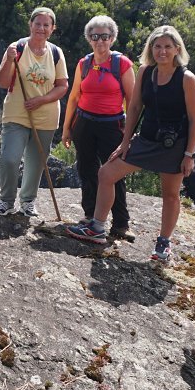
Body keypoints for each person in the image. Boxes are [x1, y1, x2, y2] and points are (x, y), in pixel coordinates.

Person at [66, 25, 195, 263]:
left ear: (177, 49)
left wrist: (189, 153)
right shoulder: (146, 72)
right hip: (146, 139)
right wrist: (125, 142)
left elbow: (194, 119)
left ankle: (163, 244)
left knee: (170, 195)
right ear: (151, 49)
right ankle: (97, 228)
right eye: (157, 46)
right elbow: (135, 106)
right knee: (106, 173)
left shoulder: (186, 78)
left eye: (167, 47)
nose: (162, 51)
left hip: (174, 145)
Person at [60, 15, 137, 239]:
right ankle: (91, 216)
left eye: (105, 36)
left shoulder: (122, 64)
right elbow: (74, 97)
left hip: (112, 126)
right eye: (95, 36)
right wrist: (67, 128)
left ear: (112, 38)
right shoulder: (84, 64)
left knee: (114, 174)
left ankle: (121, 223)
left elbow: (132, 102)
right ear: (89, 39)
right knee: (86, 169)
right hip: (84, 123)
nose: (100, 41)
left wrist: (128, 136)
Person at [0, 8, 69, 217]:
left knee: (36, 163)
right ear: (30, 24)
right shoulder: (16, 48)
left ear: (52, 29)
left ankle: (28, 201)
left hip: (45, 117)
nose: (41, 28)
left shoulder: (56, 53)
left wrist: (41, 100)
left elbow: (62, 86)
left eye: (46, 25)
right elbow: (2, 81)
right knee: (9, 158)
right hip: (17, 113)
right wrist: (9, 60)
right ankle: (6, 201)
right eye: (38, 24)